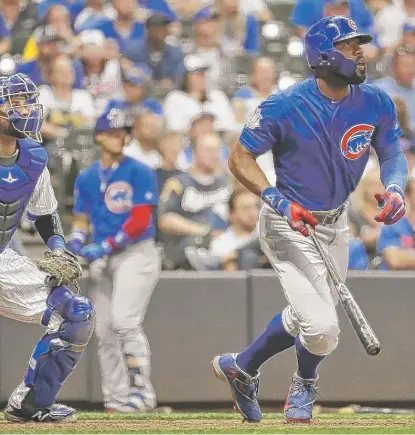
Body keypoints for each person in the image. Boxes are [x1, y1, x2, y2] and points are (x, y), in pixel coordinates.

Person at [212, 15, 407, 423]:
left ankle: (242, 366)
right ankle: (304, 383)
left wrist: (395, 189)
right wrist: (276, 200)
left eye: (360, 44)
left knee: (311, 316)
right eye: (348, 45)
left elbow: (390, 155)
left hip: (335, 224)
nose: (360, 52)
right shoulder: (285, 104)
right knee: (322, 328)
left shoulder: (375, 101)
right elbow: (239, 157)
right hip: (288, 222)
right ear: (322, 57)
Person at [0, 73, 94, 422]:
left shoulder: (34, 157)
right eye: (13, 102)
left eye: (26, 101)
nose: (23, 109)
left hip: (3, 261)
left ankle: (30, 404)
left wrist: (58, 247)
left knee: (76, 313)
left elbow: (45, 213)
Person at [66, 104, 160, 412]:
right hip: (103, 256)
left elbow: (140, 220)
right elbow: (81, 218)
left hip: (136, 253)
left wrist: (106, 244)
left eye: (124, 132)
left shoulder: (139, 171)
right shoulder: (87, 177)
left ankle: (142, 393)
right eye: (113, 131)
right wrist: (77, 239)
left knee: (125, 322)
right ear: (98, 137)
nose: (120, 136)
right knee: (104, 330)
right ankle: (116, 398)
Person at [158, 132, 231, 270]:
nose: (215, 155)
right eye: (209, 150)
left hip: (225, 244)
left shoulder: (227, 182)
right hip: (188, 246)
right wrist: (203, 231)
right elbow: (165, 220)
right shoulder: (178, 183)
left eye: (217, 150)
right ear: (194, 153)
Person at [124, 14, 185, 93]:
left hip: (168, 95)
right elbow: (126, 77)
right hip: (140, 95)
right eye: (156, 28)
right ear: (148, 30)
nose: (160, 32)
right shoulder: (132, 51)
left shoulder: (175, 53)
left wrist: (172, 83)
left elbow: (180, 78)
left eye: (163, 28)